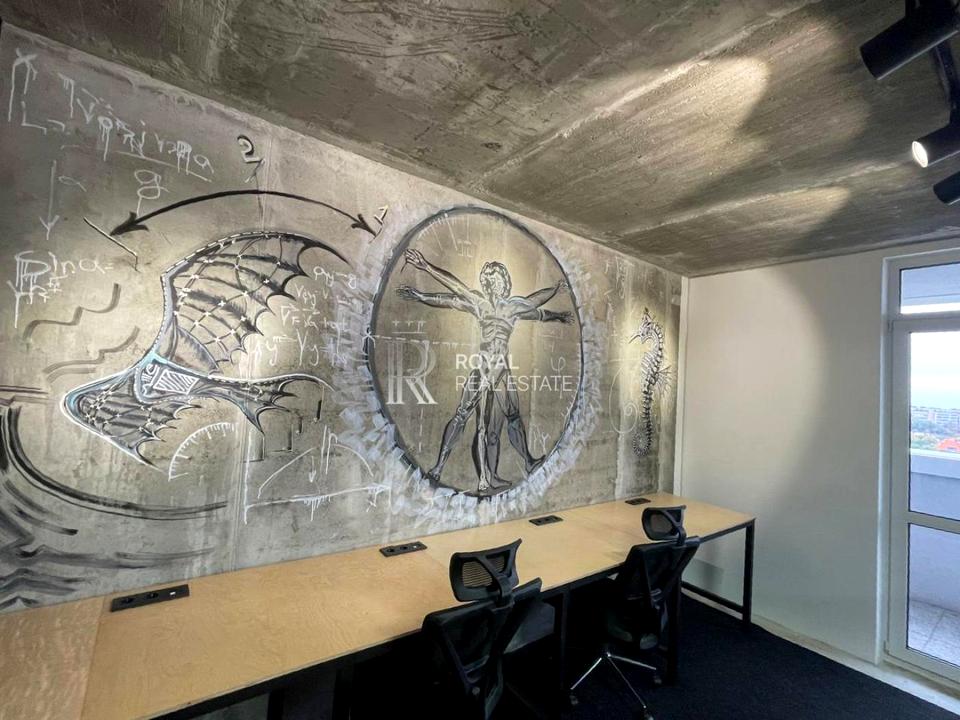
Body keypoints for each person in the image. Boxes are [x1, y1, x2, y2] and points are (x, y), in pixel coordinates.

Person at [397, 248, 572, 493]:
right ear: (486, 285)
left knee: (512, 417)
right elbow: (451, 294)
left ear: (505, 284)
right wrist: (424, 274)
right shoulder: (480, 304)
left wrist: (556, 304)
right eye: (490, 281)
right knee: (463, 416)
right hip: (484, 368)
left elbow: (537, 307)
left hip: (502, 371)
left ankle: (527, 461)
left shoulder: (512, 307)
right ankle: (439, 467)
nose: (494, 285)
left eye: (498, 281)